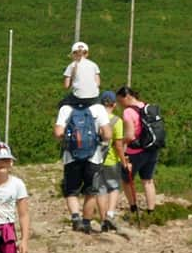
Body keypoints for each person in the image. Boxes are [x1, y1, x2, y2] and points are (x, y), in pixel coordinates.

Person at [54, 100, 112, 234]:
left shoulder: (66, 108)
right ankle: (86, 223)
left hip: (71, 157)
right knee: (90, 191)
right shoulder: (99, 108)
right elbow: (108, 134)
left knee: (71, 191)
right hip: (94, 156)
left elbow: (58, 132)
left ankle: (75, 218)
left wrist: (71, 138)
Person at [116, 86, 159, 216]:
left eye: (120, 100)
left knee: (126, 180)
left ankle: (133, 207)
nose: (120, 104)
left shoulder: (128, 112)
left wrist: (120, 142)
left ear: (127, 97)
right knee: (148, 180)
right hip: (152, 148)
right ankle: (151, 210)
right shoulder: (146, 106)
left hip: (136, 152)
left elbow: (130, 136)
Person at [95, 91, 126, 231]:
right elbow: (118, 145)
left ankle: (102, 222)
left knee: (100, 190)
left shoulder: (94, 118)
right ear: (114, 104)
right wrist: (123, 160)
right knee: (114, 187)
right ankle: (110, 215)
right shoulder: (116, 121)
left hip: (95, 159)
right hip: (111, 159)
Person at [60, 41, 100, 108]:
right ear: (87, 54)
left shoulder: (71, 66)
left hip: (78, 97)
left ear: (73, 54)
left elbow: (66, 86)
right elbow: (98, 84)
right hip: (94, 97)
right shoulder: (94, 65)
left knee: (62, 104)